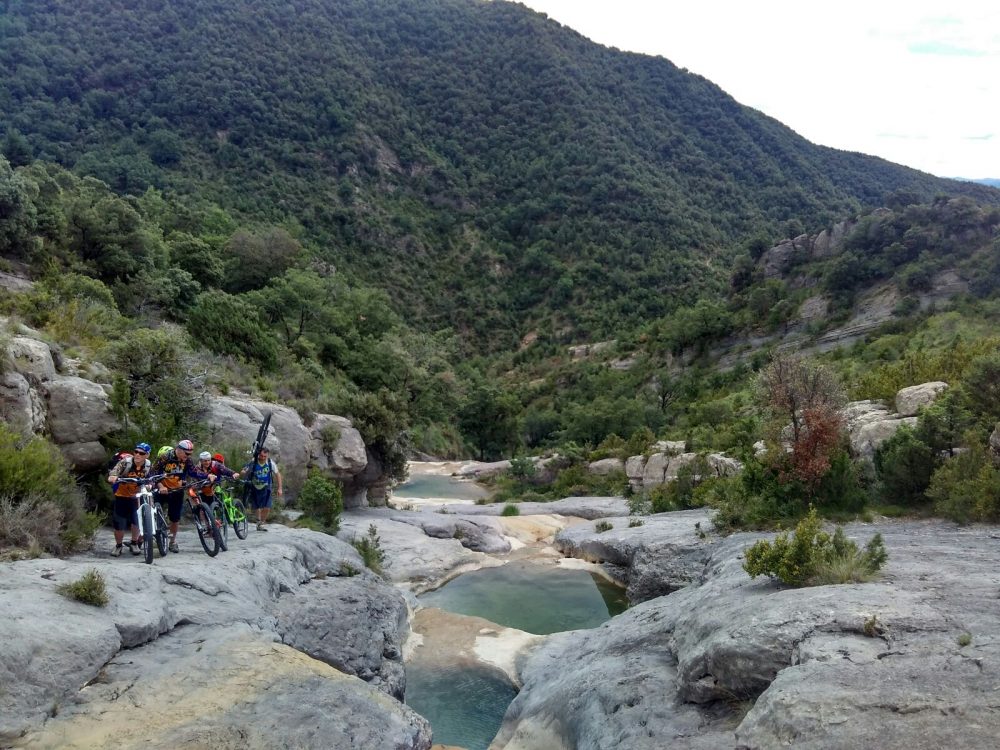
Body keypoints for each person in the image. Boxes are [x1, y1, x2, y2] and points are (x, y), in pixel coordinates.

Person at [151, 439, 198, 552]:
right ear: (179, 450)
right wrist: (160, 486)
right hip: (162, 489)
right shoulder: (165, 457)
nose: (188, 456)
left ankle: (172, 542)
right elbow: (153, 472)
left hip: (176, 490)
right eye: (187, 453)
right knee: (154, 513)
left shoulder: (187, 460)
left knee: (175, 517)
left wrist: (208, 475)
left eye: (190, 454)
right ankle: (150, 536)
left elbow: (194, 472)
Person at [107, 442, 152, 557]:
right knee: (119, 523)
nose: (137, 455)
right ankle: (118, 546)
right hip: (121, 495)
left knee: (136, 521)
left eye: (141, 453)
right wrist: (113, 476)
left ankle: (134, 543)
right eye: (136, 452)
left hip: (137, 497)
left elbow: (150, 477)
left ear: (147, 455)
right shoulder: (126, 462)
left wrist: (150, 484)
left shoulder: (148, 465)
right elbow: (115, 470)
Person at [244, 447, 282, 531]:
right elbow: (245, 469)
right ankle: (258, 522)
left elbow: (278, 474)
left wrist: (280, 488)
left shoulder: (270, 463)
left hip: (266, 486)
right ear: (258, 455)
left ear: (267, 455)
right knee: (256, 506)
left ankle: (262, 522)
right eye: (261, 456)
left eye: (265, 456)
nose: (263, 458)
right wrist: (243, 472)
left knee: (267, 506)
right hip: (255, 486)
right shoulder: (253, 462)